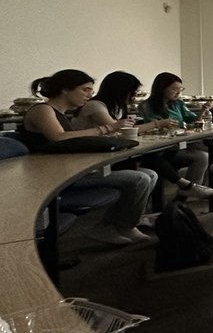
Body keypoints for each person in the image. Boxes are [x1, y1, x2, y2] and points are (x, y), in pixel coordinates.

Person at [17, 69, 157, 246]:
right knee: (139, 178)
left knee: (150, 174)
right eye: (85, 89)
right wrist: (106, 129)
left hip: (68, 171)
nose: (89, 95)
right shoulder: (42, 110)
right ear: (65, 89)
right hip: (52, 178)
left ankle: (117, 225)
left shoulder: (61, 113)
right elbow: (58, 137)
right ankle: (117, 226)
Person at [78, 71, 213, 199]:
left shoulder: (117, 107)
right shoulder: (95, 106)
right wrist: (158, 124)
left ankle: (187, 188)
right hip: (92, 158)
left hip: (111, 151)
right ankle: (186, 186)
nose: (133, 96)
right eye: (133, 92)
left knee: (204, 153)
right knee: (152, 160)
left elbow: (124, 129)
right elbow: (119, 130)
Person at [139, 72, 207, 129]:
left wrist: (202, 110)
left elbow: (194, 121)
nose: (178, 93)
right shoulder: (146, 106)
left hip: (180, 138)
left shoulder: (178, 103)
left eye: (180, 89)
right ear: (162, 88)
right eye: (175, 89)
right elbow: (152, 127)